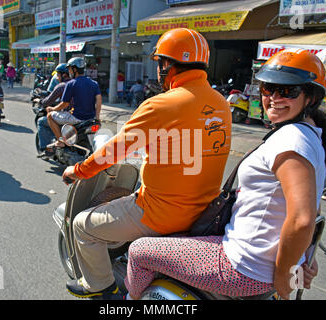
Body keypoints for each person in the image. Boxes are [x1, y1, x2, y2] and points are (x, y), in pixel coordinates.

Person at [123, 48, 326, 300]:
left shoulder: (291, 140)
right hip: (256, 263)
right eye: (268, 89)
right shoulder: (310, 135)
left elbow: (302, 221)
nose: (274, 98)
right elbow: (311, 209)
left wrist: (284, 278)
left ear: (311, 98)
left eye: (287, 91)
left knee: (139, 251)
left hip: (241, 266)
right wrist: (300, 262)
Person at [61, 28, 231, 298]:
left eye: (160, 63)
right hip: (204, 213)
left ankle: (101, 288)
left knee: (82, 225)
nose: (159, 70)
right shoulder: (220, 104)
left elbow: (113, 151)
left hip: (159, 213)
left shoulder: (161, 104)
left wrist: (79, 170)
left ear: (168, 65)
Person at [45, 57, 101, 152]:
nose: (69, 71)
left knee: (50, 116)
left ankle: (60, 141)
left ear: (74, 69)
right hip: (91, 119)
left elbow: (65, 104)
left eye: (70, 69)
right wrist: (97, 117)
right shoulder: (94, 83)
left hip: (77, 118)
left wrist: (53, 109)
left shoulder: (71, 84)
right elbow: (99, 101)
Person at [35, 64, 71, 157]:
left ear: (64, 75)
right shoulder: (76, 84)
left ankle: (49, 149)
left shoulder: (62, 86)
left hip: (69, 116)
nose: (57, 78)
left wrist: (42, 102)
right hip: (83, 115)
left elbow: (50, 101)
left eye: (58, 75)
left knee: (42, 121)